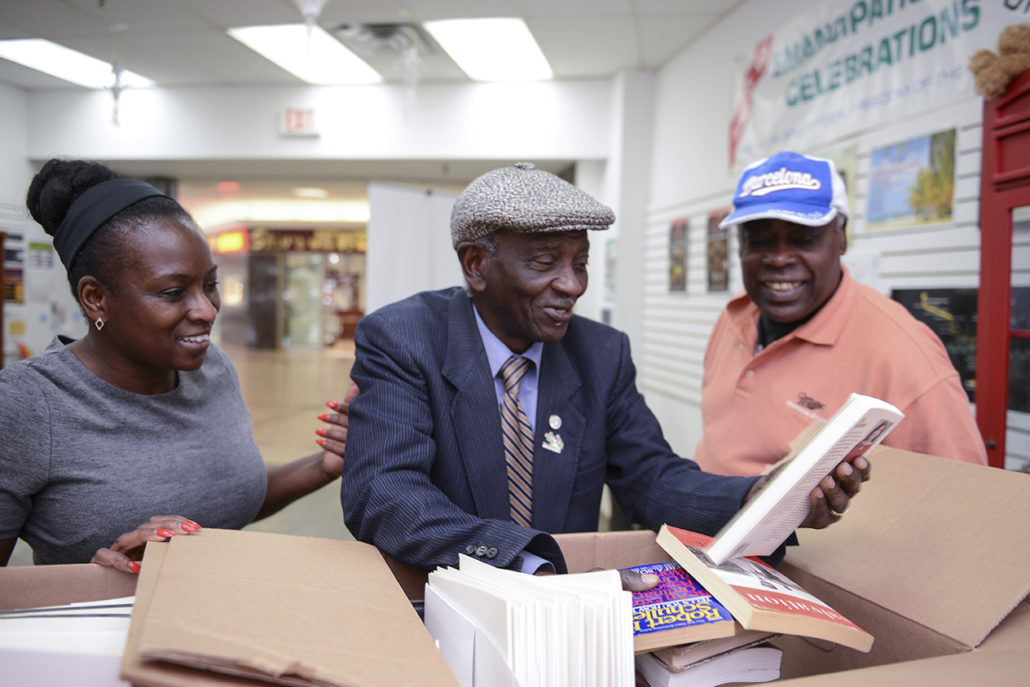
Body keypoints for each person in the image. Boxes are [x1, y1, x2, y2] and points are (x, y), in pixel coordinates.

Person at [340, 162, 868, 576]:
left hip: (571, 622)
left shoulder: (600, 353)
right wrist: (526, 564)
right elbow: (385, 494)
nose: (572, 285)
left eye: (581, 262)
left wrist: (756, 496)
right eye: (545, 263)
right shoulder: (406, 338)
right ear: (476, 265)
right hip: (440, 602)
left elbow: (651, 479)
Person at [0, 159, 353, 573]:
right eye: (172, 292)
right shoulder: (25, 404)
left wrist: (322, 466)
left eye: (210, 285)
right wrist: (98, 578)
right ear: (96, 298)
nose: (206, 310)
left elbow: (229, 498)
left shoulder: (213, 369)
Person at [694, 151, 988, 477]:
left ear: (841, 236)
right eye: (760, 240)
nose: (778, 259)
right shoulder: (735, 316)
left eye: (803, 239)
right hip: (698, 522)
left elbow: (960, 494)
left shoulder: (905, 356)